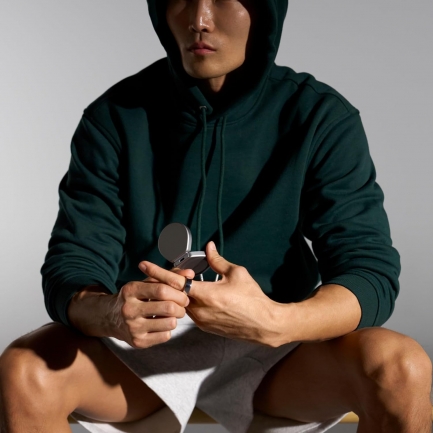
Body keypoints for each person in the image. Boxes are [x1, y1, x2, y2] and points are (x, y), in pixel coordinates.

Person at [0, 0, 431, 432]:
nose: (199, 20)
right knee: (24, 369)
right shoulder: (114, 116)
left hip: (277, 352)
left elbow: (368, 272)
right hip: (140, 352)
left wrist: (276, 321)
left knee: (402, 367)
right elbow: (71, 268)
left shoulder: (319, 115)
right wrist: (111, 313)